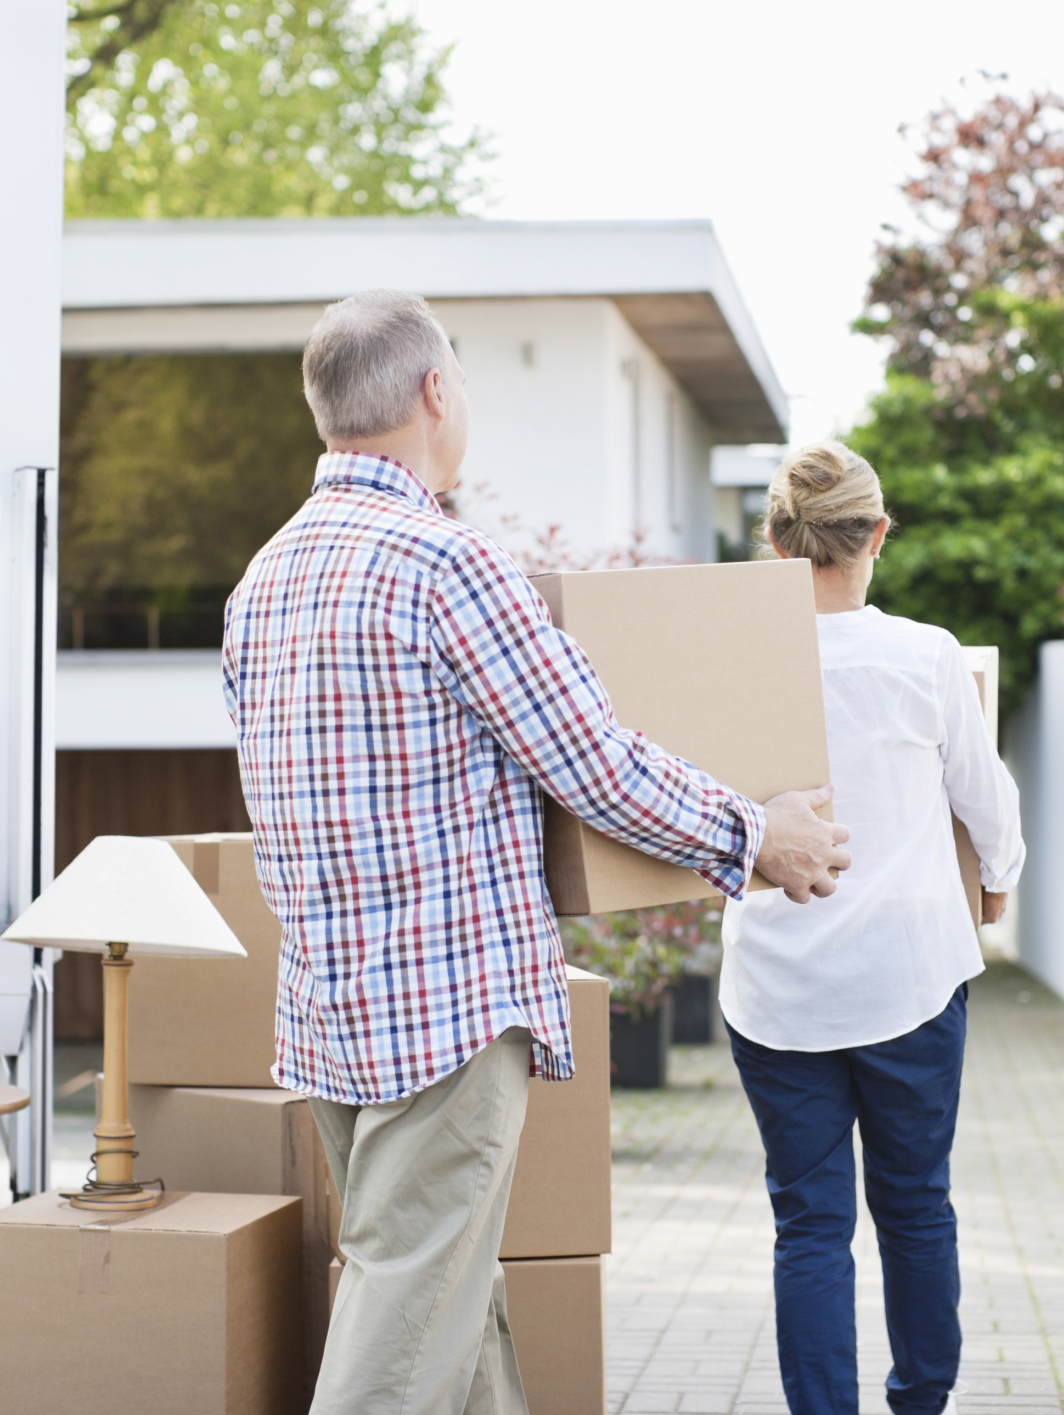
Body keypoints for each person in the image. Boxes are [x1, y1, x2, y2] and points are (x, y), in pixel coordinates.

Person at [221, 290, 854, 1415]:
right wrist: (760, 834)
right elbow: (593, 761)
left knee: (444, 1300)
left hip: (330, 1008)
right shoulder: (446, 563)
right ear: (433, 391)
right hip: (445, 1010)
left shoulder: (262, 581)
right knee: (407, 1312)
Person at [720, 441, 1024, 1415]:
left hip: (776, 986)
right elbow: (988, 803)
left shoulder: (733, 661)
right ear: (876, 534)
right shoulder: (924, 655)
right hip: (909, 975)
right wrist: (1001, 883)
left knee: (809, 1225)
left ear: (772, 538)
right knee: (915, 1205)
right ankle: (920, 1399)